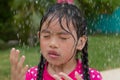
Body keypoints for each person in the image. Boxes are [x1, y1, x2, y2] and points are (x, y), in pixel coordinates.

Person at [10, 0, 102, 80]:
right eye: (46, 36)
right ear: (39, 37)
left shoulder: (92, 77)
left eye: (63, 37)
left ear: (80, 42)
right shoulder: (30, 76)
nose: (52, 44)